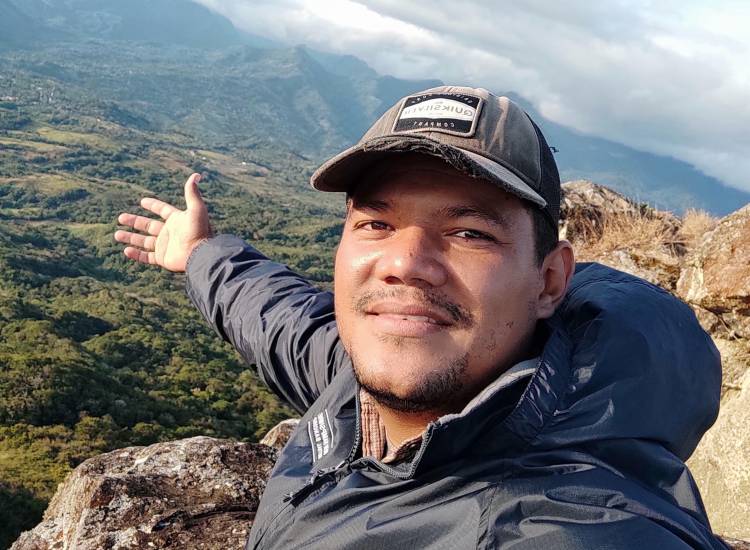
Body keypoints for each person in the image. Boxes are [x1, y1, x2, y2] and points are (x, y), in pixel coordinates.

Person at [115, 86, 728, 549]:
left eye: (469, 232)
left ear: (548, 281)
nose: (404, 264)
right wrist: (201, 254)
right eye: (376, 223)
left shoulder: (561, 524)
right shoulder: (367, 389)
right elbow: (285, 321)